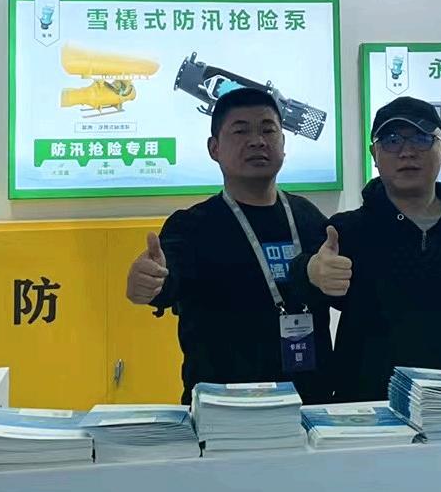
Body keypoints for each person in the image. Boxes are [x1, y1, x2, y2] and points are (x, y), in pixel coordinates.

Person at [292, 97, 441, 402]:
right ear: (374, 154)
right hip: (369, 410)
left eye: (422, 139)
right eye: (391, 140)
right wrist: (310, 272)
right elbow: (299, 291)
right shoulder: (345, 232)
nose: (407, 151)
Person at [124, 86, 332, 403]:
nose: (257, 141)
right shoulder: (192, 226)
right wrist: (148, 283)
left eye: (268, 130)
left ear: (283, 143)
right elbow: (168, 278)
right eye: (240, 131)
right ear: (214, 148)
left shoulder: (309, 217)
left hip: (308, 403)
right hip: (222, 407)